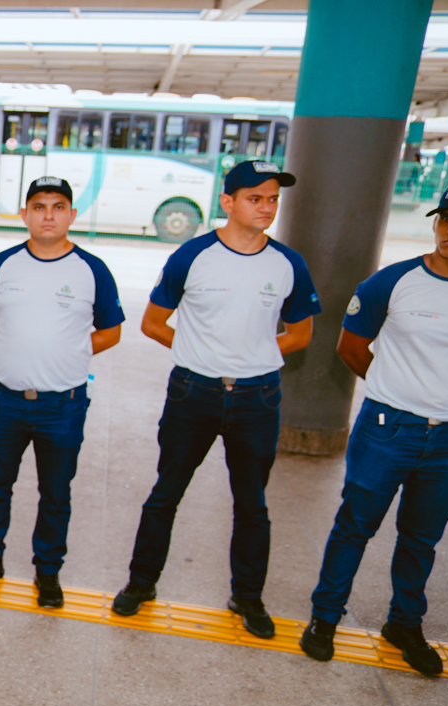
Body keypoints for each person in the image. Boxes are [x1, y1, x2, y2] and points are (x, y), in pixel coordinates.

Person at [110, 160, 321, 638]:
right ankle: (141, 584)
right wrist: (197, 352)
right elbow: (153, 323)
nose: (266, 207)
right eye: (255, 198)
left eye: (272, 199)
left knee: (252, 504)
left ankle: (247, 596)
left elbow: (302, 333)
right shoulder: (192, 255)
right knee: (166, 494)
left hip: (257, 398)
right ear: (228, 202)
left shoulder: (289, 263)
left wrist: (256, 356)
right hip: (194, 392)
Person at [299, 182, 448, 676]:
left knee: (420, 539)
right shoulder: (390, 282)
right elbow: (351, 348)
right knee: (355, 526)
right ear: (436, 224)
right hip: (388, 428)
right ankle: (324, 619)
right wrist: (398, 392)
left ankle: (404, 624)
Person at [0, 177, 124, 607]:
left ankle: (47, 571)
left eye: (58, 206)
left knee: (55, 493)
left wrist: (69, 351)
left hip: (62, 406)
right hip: (5, 401)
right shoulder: (4, 263)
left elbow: (112, 330)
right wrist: (19, 346)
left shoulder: (92, 269)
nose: (48, 215)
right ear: (24, 214)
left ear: (71, 214)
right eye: (39, 206)